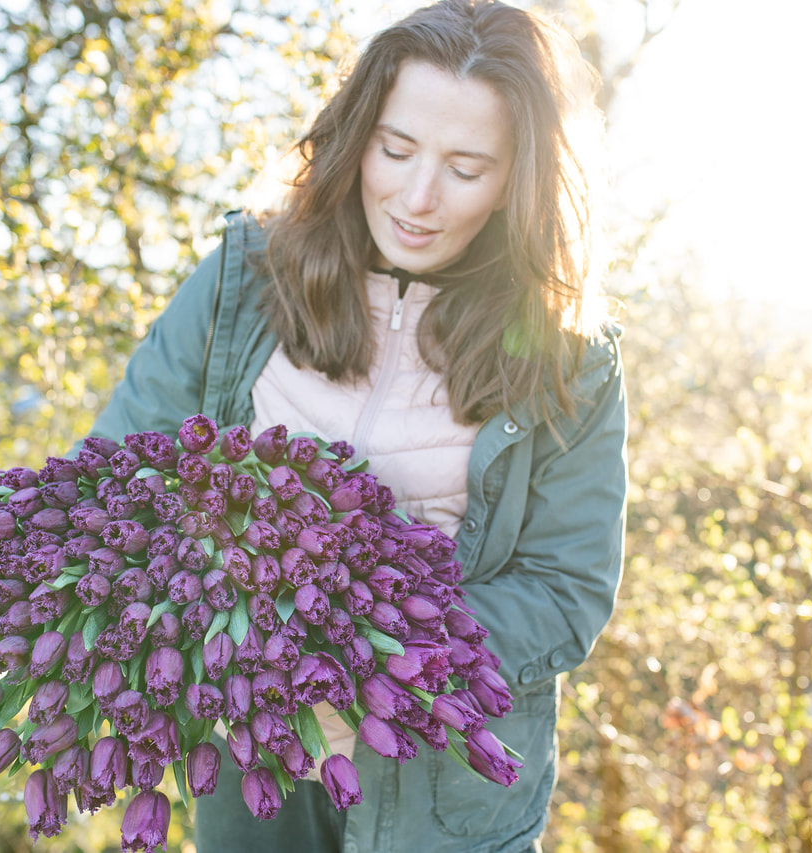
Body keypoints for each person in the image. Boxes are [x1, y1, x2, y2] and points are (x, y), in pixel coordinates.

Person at [80, 1, 626, 850]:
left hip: (443, 797)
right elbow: (110, 481)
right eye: (396, 149)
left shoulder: (569, 357)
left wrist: (376, 657)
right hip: (248, 762)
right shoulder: (244, 282)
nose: (417, 197)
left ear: (519, 180)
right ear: (356, 134)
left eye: (467, 167)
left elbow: (566, 590)